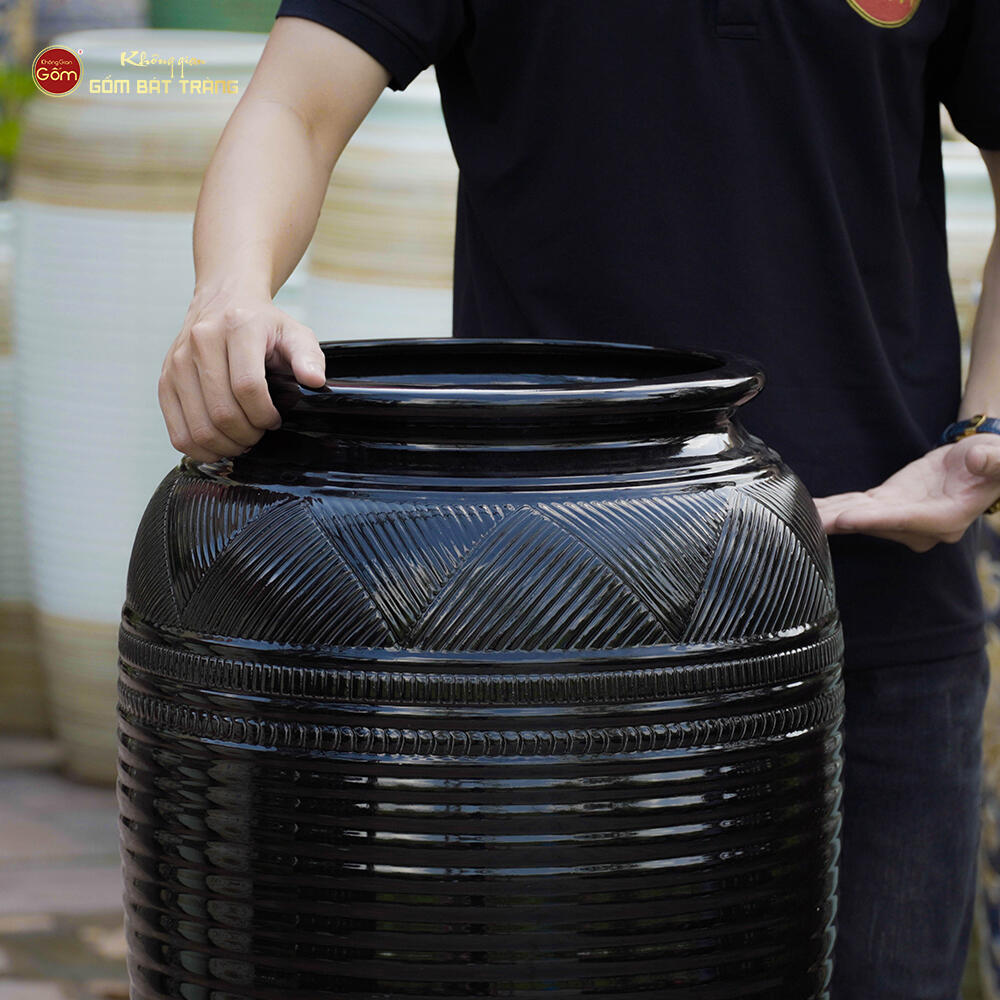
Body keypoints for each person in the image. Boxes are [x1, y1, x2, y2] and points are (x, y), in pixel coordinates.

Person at [157, 3, 1000, 996]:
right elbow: (293, 109)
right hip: (546, 646)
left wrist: (986, 429)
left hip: (884, 611)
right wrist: (230, 293)